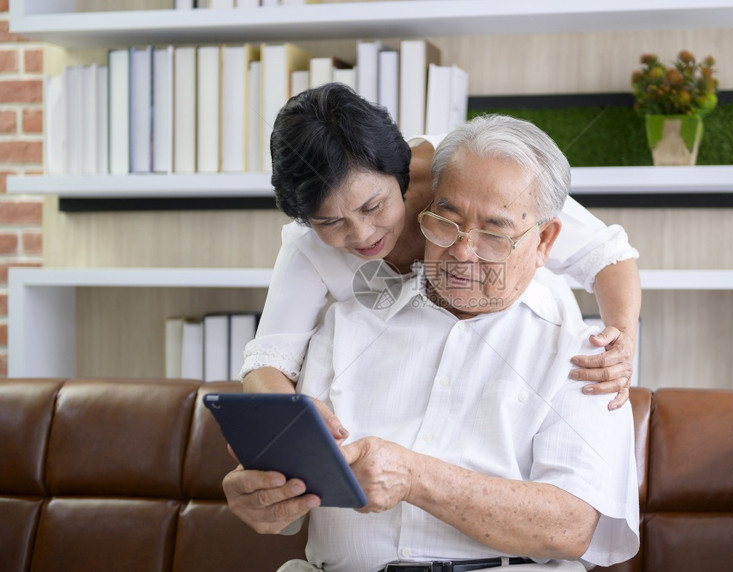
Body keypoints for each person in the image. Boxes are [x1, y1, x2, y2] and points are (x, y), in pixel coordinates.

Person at [224, 115, 640, 572]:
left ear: (544, 240)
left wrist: (416, 477)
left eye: (495, 234)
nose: (463, 251)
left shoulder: (587, 355)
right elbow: (272, 384)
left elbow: (571, 527)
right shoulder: (343, 326)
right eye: (447, 221)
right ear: (423, 208)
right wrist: (266, 493)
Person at [240, 84, 641, 410]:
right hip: (402, 383)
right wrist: (294, 421)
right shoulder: (306, 245)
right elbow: (268, 363)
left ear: (401, 173)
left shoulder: (467, 172)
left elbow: (606, 256)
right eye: (330, 221)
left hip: (509, 362)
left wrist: (620, 343)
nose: (362, 235)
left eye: (373, 206)